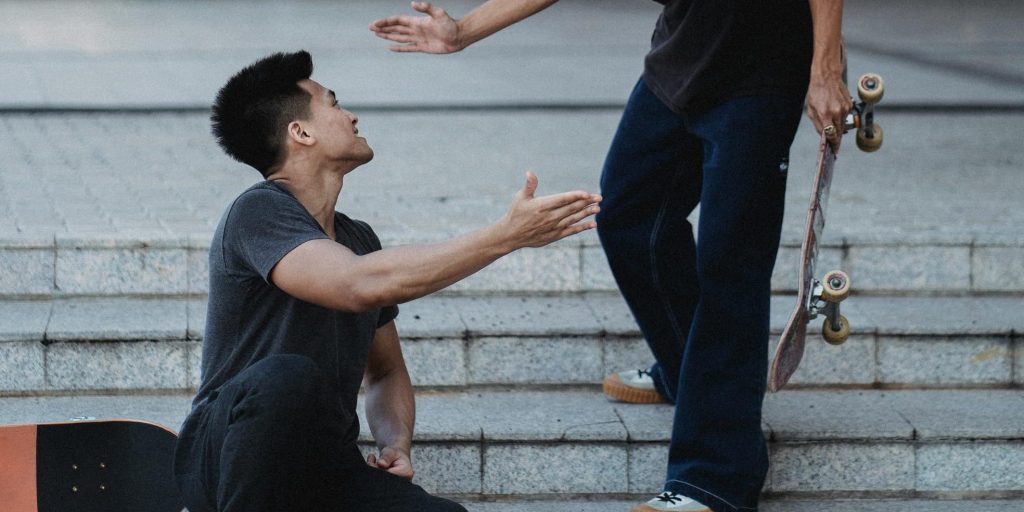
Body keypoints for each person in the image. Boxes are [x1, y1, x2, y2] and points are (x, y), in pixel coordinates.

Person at [370, 2, 850, 511]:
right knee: (628, 217)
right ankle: (689, 369)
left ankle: (716, 477)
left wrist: (825, 68)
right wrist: (464, 31)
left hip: (760, 73)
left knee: (729, 266)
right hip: (679, 63)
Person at [172, 50, 601, 512]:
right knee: (287, 376)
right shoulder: (257, 212)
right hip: (224, 455)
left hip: (323, 466)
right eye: (334, 104)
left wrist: (395, 440)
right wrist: (504, 236)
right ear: (301, 132)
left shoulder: (359, 239)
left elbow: (386, 370)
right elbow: (355, 285)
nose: (351, 115)